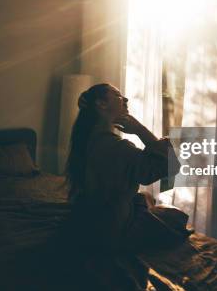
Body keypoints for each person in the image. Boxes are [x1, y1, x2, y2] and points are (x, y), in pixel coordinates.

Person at [65, 83, 188, 255]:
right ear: (102, 104)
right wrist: (140, 130)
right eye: (117, 95)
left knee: (146, 197)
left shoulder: (87, 139)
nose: (126, 99)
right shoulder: (117, 148)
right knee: (176, 219)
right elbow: (170, 166)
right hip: (111, 230)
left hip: (90, 217)